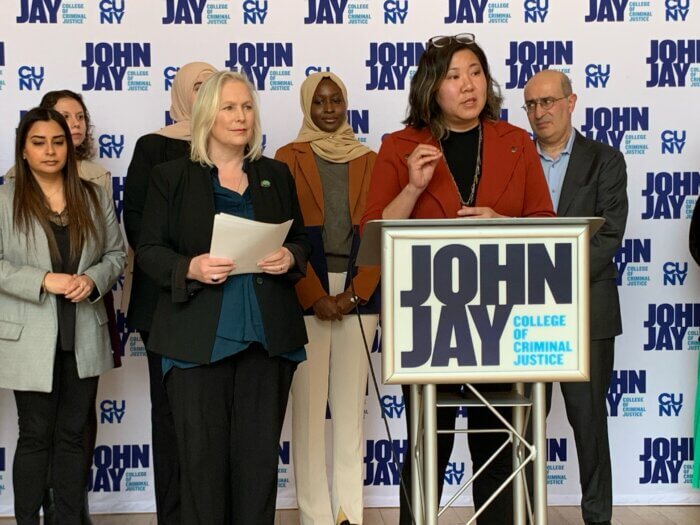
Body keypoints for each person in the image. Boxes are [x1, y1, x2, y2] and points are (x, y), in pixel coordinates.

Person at [360, 34, 554, 524]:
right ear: (431, 87)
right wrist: (412, 188)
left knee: (500, 444)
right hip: (428, 320)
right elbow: (372, 235)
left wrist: (503, 224)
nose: (469, 85)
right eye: (453, 76)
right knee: (429, 445)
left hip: (503, 317)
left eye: (475, 73)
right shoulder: (399, 147)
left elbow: (545, 225)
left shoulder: (517, 142)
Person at [136, 70, 311, 524]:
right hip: (196, 343)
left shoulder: (276, 174)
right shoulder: (170, 176)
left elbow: (301, 239)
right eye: (229, 107)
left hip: (266, 341)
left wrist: (289, 257)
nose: (240, 117)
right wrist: (189, 267)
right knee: (201, 470)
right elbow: (149, 249)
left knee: (257, 470)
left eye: (247, 107)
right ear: (206, 115)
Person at [0, 107, 125, 525]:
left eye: (58, 141)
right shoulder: (4, 199)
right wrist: (42, 280)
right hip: (29, 337)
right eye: (39, 143)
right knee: (35, 436)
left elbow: (116, 255)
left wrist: (92, 280)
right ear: (23, 149)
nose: (50, 151)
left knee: (73, 438)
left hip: (83, 332)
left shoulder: (94, 196)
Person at [523, 69, 628, 525]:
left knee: (588, 423)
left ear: (571, 102)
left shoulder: (605, 160)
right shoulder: (516, 161)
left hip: (587, 312)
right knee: (523, 422)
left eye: (548, 101)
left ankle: (597, 517)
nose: (539, 112)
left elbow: (609, 236)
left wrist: (552, 279)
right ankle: (523, 513)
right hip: (523, 312)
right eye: (531, 104)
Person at [275, 71, 380, 525]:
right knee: (308, 410)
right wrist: (315, 294)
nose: (330, 108)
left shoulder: (370, 159)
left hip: (360, 292)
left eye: (336, 99)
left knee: (351, 411)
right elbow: (283, 234)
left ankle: (348, 514)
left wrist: (355, 294)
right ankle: (314, 515)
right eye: (319, 101)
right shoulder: (287, 157)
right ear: (306, 106)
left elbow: (380, 231)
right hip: (305, 289)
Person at [123, 61, 215, 525]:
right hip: (164, 300)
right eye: (198, 86)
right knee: (170, 417)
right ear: (180, 93)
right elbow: (138, 224)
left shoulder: (231, 147)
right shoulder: (152, 147)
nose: (207, 94)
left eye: (213, 86)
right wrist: (185, 269)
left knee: (213, 420)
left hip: (220, 298)